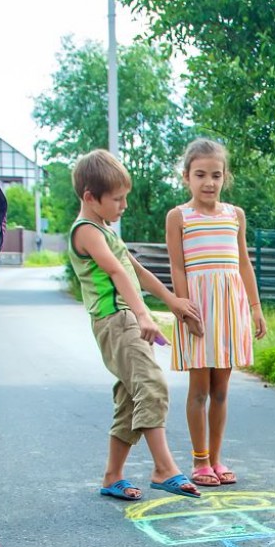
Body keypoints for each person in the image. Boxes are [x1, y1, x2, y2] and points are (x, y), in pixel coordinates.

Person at [67, 149, 205, 501]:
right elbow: (114, 272)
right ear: (90, 197)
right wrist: (143, 315)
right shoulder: (86, 232)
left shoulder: (105, 231)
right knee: (152, 385)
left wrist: (172, 302)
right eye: (117, 199)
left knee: (132, 398)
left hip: (125, 318)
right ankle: (164, 468)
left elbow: (136, 271)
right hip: (116, 320)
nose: (124, 205)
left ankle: (112, 476)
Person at [166, 138, 266, 487]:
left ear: (225, 177)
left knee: (221, 388)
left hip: (229, 309)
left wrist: (255, 308)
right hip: (198, 308)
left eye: (216, 175)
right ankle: (199, 461)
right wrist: (184, 307)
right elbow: (177, 267)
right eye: (200, 174)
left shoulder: (234, 215)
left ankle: (217, 458)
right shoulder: (179, 216)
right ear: (186, 177)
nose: (209, 182)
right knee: (199, 388)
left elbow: (243, 264)